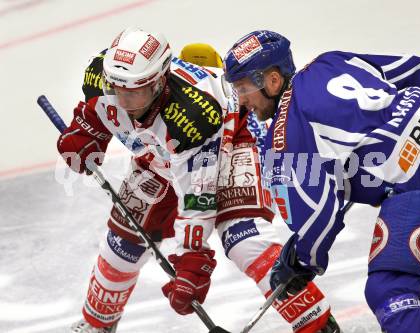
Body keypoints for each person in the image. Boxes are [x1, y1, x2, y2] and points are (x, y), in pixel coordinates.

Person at [58, 27, 340, 333]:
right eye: (117, 91)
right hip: (159, 156)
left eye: (135, 92)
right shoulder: (98, 75)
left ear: (158, 82)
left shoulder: (192, 117)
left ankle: (315, 322)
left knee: (244, 239)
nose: (125, 102)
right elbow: (93, 111)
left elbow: (197, 197)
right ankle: (96, 324)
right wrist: (84, 133)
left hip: (231, 140)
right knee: (122, 241)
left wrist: (192, 259)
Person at [223, 29, 420, 332]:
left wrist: (297, 263)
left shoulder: (284, 137)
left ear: (272, 81)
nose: (242, 100)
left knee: (389, 290)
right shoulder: (330, 61)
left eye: (244, 88)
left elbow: (317, 217)